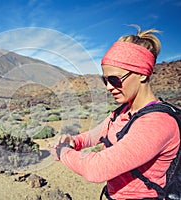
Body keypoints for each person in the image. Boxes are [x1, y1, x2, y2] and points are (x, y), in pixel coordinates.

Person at [49, 25, 180, 199]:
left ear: (142, 74)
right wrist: (73, 141)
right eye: (105, 80)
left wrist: (62, 152)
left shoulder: (158, 123)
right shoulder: (122, 113)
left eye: (115, 80)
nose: (109, 87)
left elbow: (96, 169)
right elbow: (91, 137)